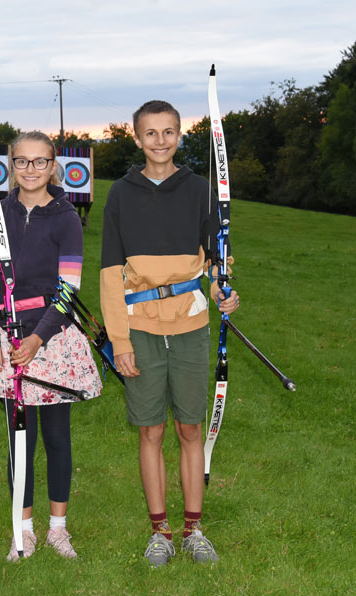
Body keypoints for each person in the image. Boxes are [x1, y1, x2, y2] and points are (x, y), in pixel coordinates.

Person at [100, 100, 240, 566]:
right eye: (151, 133)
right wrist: (119, 341)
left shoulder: (199, 189)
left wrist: (222, 290)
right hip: (138, 326)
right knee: (151, 430)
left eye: (169, 132)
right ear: (136, 138)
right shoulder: (121, 193)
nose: (160, 141)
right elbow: (108, 272)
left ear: (180, 135)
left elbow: (216, 256)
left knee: (189, 426)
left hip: (191, 325)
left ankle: (193, 529)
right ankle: (159, 531)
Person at [0, 131, 103, 561]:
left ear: (54, 165)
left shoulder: (66, 217)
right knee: (18, 439)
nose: (30, 170)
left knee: (57, 438)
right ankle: (22, 530)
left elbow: (68, 290)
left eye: (39, 162)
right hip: (5, 338)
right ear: (11, 165)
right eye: (21, 162)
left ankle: (57, 530)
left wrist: (38, 337)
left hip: (52, 337)